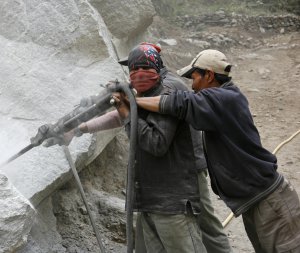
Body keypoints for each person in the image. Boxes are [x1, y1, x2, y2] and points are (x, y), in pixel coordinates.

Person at [135, 49, 300, 253]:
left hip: (271, 203)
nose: (192, 85)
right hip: (255, 202)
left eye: (194, 77)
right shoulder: (220, 101)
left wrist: (133, 103)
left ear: (209, 75)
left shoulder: (223, 99)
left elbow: (179, 103)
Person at [75, 44, 232, 253]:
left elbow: (147, 132)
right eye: (132, 69)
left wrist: (124, 107)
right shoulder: (148, 88)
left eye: (140, 68)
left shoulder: (168, 88)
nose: (135, 75)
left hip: (187, 170)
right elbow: (125, 113)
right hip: (165, 177)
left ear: (153, 66)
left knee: (205, 227)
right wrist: (83, 127)